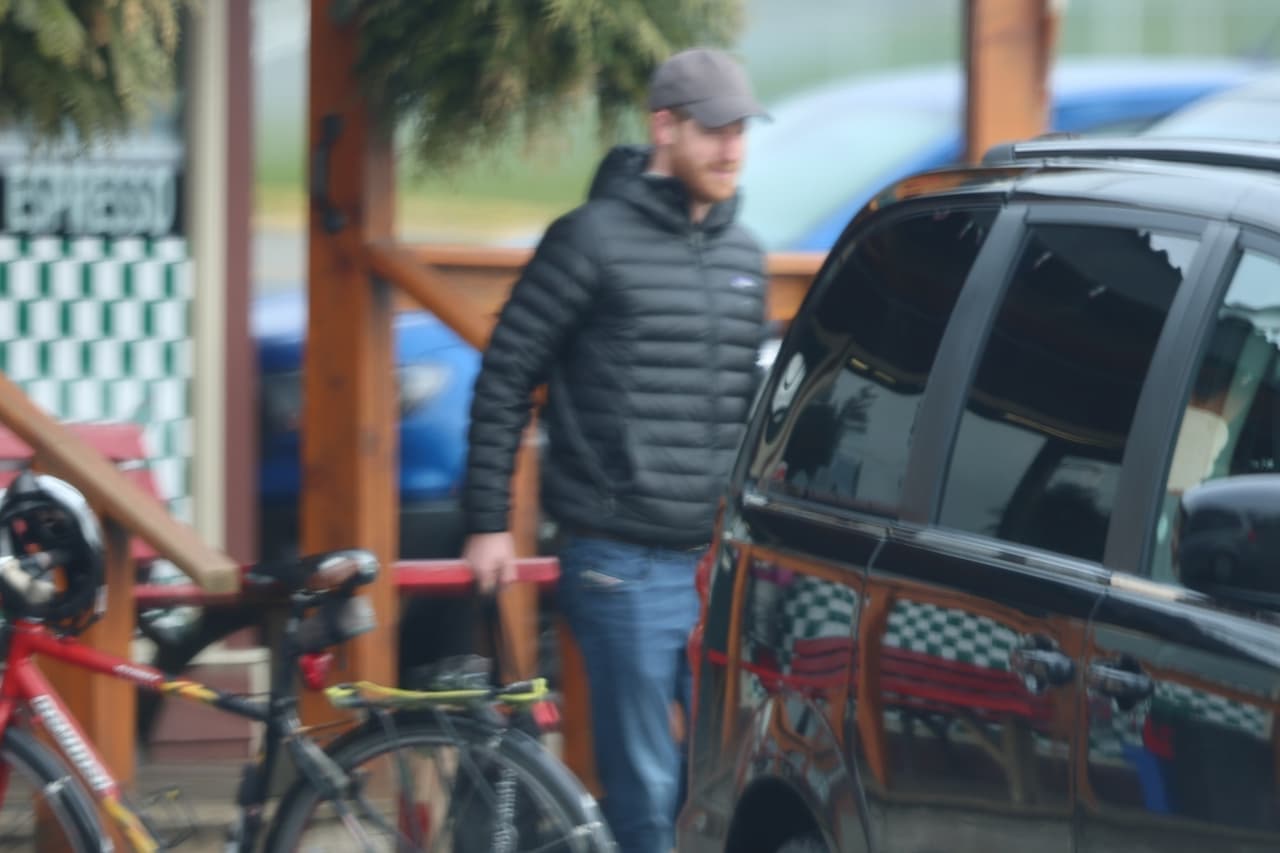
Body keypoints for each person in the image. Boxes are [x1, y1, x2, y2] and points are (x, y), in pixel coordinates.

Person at [461, 46, 770, 853]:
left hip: (719, 567)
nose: (731, 147)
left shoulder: (746, 255)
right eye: (714, 130)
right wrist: (488, 521)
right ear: (664, 127)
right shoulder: (589, 239)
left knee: (730, 779)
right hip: (619, 562)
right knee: (648, 787)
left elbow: (748, 408)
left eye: (740, 130)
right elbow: (505, 374)